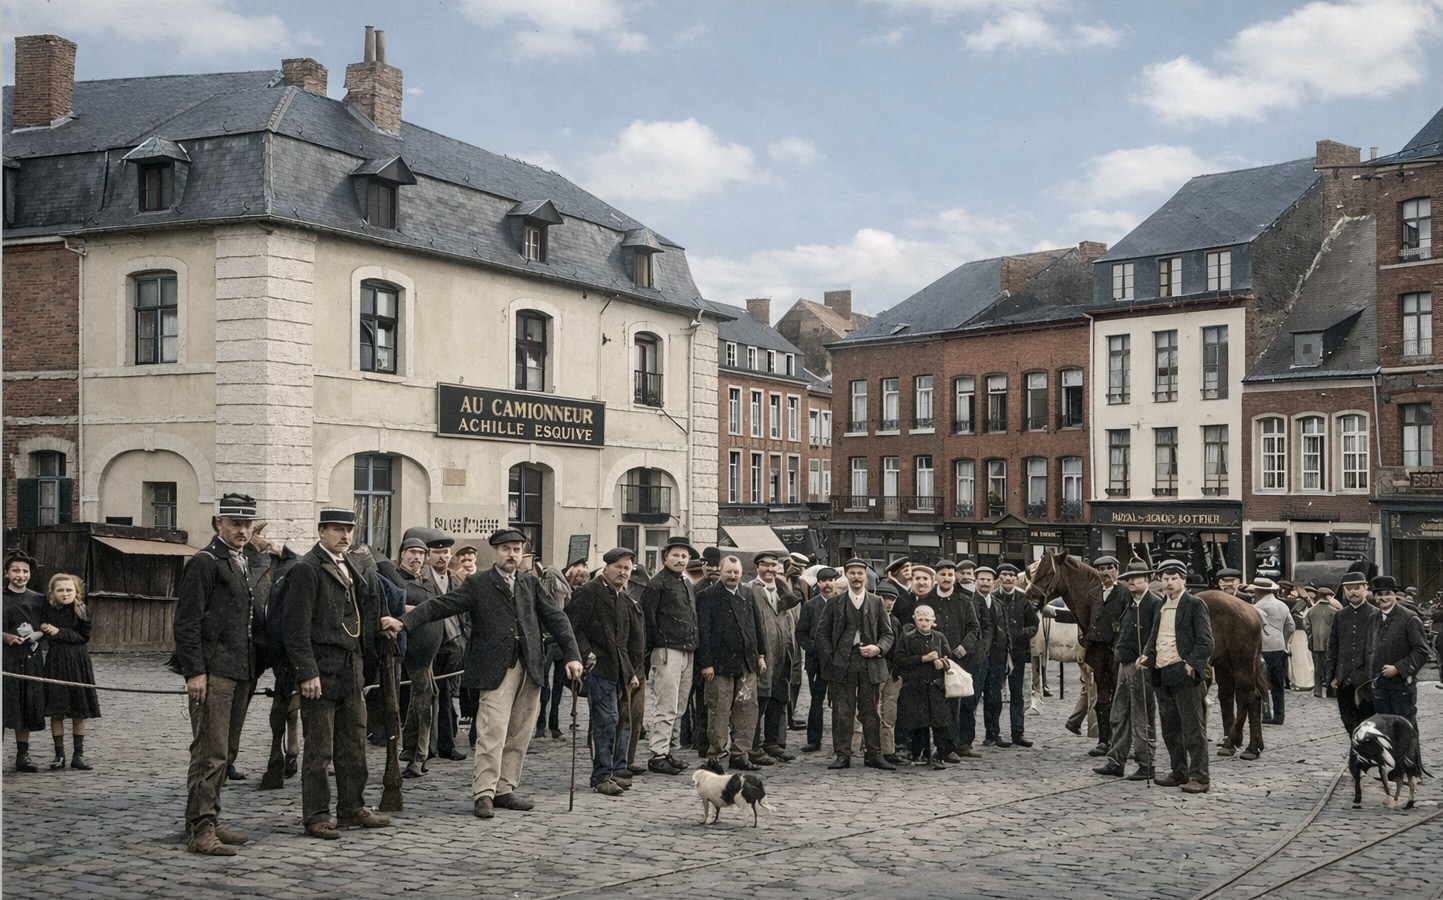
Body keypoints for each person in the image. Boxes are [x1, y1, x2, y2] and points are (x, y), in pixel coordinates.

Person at [382, 528, 583, 820]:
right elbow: (441, 605)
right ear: (495, 552)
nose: (512, 554)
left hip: (530, 667)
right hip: (495, 670)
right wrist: (404, 622)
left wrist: (573, 656)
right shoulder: (478, 583)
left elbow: (557, 618)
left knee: (519, 733)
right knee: (492, 732)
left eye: (517, 549)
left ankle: (505, 789)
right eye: (506, 549)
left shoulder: (530, 583)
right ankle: (484, 793)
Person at [282, 508, 392, 839]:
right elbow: (295, 629)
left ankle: (351, 808)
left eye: (348, 529)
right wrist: (307, 673)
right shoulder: (307, 568)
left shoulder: (354, 566)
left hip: (350, 669)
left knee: (354, 742)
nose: (344, 536)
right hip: (321, 669)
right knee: (319, 749)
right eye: (336, 529)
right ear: (320, 531)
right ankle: (316, 816)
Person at [173, 493, 266, 855]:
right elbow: (186, 623)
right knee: (210, 752)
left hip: (241, 669)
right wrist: (195, 672)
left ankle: (209, 817)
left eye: (247, 524)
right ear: (218, 524)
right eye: (235, 524)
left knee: (226, 750)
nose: (243, 530)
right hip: (214, 672)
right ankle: (200, 830)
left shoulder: (241, 561)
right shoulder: (205, 562)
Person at [567, 548, 645, 796]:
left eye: (627, 568)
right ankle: (601, 776)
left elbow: (626, 639)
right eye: (619, 567)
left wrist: (632, 671)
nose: (623, 572)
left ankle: (613, 771)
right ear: (606, 567)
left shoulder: (623, 598)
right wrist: (585, 653)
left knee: (620, 720)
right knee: (606, 721)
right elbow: (572, 628)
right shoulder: (588, 593)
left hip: (620, 670)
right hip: (597, 668)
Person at [813, 558, 896, 771]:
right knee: (842, 711)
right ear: (846, 576)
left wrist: (878, 648)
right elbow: (821, 634)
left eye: (860, 573)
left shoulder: (876, 602)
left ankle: (873, 754)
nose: (856, 578)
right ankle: (843, 754)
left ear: (866, 577)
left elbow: (888, 634)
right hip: (843, 665)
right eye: (852, 573)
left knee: (870, 711)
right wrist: (831, 657)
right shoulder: (835, 603)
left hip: (870, 665)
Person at [1139, 560, 1213, 794]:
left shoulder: (1194, 604)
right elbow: (1155, 636)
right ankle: (1178, 771)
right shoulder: (1161, 606)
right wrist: (1146, 656)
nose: (1168, 582)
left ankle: (1200, 776)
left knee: (1192, 727)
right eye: (1165, 578)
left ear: (1184, 580)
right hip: (1161, 672)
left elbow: (1206, 640)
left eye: (1173, 578)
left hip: (1183, 672)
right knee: (1170, 727)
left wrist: (1192, 663)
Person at [695, 555, 767, 771]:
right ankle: (715, 755)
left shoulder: (747, 593)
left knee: (747, 710)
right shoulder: (707, 596)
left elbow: (756, 626)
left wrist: (760, 655)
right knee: (719, 710)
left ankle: (740, 753)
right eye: (728, 572)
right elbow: (703, 632)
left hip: (746, 663)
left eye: (736, 572)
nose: (733, 576)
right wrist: (706, 663)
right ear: (721, 572)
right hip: (719, 666)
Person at [1094, 561, 1160, 781]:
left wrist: (1147, 658)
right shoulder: (1130, 603)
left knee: (1142, 716)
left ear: (1147, 580)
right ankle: (1116, 760)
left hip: (1141, 665)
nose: (1132, 582)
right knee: (1119, 713)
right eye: (1129, 579)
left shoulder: (1154, 604)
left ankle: (1146, 763)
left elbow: (1155, 636)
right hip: (1124, 664)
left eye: (1138, 578)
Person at [639, 537, 699, 776]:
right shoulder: (657, 584)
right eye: (676, 555)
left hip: (687, 650)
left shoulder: (685, 582)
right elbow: (647, 619)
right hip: (667, 650)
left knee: (679, 705)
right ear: (665, 557)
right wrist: (656, 646)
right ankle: (658, 754)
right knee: (666, 704)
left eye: (684, 556)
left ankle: (668, 749)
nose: (680, 560)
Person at [40, 573, 100, 771]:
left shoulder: (82, 611)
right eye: (60, 590)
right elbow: (45, 635)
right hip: (56, 662)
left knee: (78, 712)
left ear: (76, 592)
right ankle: (59, 756)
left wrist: (59, 632)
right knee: (57, 712)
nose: (65, 593)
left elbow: (83, 637)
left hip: (77, 663)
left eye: (69, 590)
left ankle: (78, 755)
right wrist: (47, 630)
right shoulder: (48, 611)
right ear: (52, 593)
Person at [746, 550, 801, 765]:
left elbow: (788, 619)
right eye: (765, 565)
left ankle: (772, 742)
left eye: (774, 566)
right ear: (758, 567)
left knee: (778, 698)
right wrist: (757, 653)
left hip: (783, 653)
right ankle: (752, 745)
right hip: (763, 654)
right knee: (759, 699)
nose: (770, 570)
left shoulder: (782, 589)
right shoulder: (751, 590)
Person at [393, 535, 441, 779]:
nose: (417, 558)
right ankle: (417, 756)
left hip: (427, 650)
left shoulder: (426, 581)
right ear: (402, 554)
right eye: (412, 552)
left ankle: (415, 751)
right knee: (422, 700)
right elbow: (390, 605)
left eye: (421, 554)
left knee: (425, 697)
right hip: (408, 649)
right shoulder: (395, 579)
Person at [894, 605, 959, 769]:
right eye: (920, 619)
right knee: (918, 721)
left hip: (936, 686)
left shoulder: (939, 637)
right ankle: (921, 753)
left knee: (939, 721)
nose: (924, 623)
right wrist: (923, 658)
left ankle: (939, 754)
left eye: (927, 620)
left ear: (933, 621)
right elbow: (900, 659)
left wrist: (942, 663)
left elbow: (949, 658)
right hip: (915, 686)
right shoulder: (907, 637)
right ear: (914, 620)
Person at [927, 559, 979, 762]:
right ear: (936, 577)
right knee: (934, 706)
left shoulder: (964, 601)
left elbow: (974, 629)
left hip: (956, 662)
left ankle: (949, 747)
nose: (946, 578)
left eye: (950, 574)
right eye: (942, 574)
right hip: (932, 661)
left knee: (953, 706)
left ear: (954, 577)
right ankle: (931, 747)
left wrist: (964, 647)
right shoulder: (927, 600)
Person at [4, 551, 48, 774]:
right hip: (5, 660)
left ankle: (23, 755)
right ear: (6, 573)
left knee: (25, 704)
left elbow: (47, 626)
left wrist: (39, 634)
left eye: (25, 571)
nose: (20, 575)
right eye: (15, 571)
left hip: (30, 658)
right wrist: (7, 637)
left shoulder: (38, 599)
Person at [1366, 575, 1429, 733]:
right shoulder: (1373, 619)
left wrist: (1398, 668)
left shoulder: (1409, 618)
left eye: (1387, 593)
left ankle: (1409, 759)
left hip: (1401, 687)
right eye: (1379, 594)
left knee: (1405, 730)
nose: (1383, 598)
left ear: (1395, 595)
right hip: (1379, 686)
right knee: (1384, 730)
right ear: (1374, 597)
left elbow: (1422, 651)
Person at [1080, 557, 1128, 757]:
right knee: (1102, 696)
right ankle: (1103, 740)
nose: (1105, 572)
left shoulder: (1124, 593)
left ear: (1117, 570)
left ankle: (1122, 740)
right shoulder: (1093, 594)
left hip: (1116, 650)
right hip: (1098, 652)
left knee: (1120, 695)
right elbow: (1086, 619)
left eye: (1109, 568)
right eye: (1101, 569)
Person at [534, 554, 583, 741]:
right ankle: (546, 725)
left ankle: (546, 725)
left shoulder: (550, 578)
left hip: (553, 642)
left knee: (552, 687)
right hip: (552, 642)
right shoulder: (554, 579)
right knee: (549, 686)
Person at [1325, 571, 1378, 735]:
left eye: (1357, 588)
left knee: (1367, 721)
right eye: (1349, 589)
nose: (1353, 592)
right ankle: (1358, 750)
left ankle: (1366, 755)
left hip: (1367, 679)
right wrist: (1331, 675)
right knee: (1347, 719)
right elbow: (1332, 646)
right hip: (1344, 678)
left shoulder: (1376, 614)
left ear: (1365, 589)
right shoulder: (1340, 616)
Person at [993, 563, 1038, 749]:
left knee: (1017, 694)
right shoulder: (993, 598)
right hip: (996, 652)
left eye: (1012, 575)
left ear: (1016, 578)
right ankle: (993, 733)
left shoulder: (1023, 599)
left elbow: (1034, 625)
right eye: (1005, 574)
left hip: (1018, 652)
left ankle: (1018, 733)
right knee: (994, 693)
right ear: (999, 578)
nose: (1009, 578)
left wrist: (1019, 634)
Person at [796, 567, 840, 753]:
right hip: (816, 661)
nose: (827, 584)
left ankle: (841, 742)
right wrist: (812, 648)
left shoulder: (842, 603)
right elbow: (801, 633)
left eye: (831, 580)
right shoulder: (810, 606)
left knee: (840, 700)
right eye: (823, 581)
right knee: (816, 700)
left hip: (839, 661)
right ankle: (814, 740)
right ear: (818, 583)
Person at [954, 559, 993, 757]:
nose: (966, 575)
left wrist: (983, 648)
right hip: (952, 655)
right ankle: (949, 743)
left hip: (974, 657)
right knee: (951, 702)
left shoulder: (978, 597)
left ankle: (965, 744)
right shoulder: (951, 593)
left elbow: (986, 625)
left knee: (970, 701)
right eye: (962, 572)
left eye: (970, 572)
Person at [1247, 578, 1294, 726]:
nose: (1253, 593)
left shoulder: (1258, 607)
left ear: (1259, 591)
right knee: (1278, 684)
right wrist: (1284, 642)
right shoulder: (1283, 605)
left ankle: (1266, 714)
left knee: (1262, 683)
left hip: (1264, 649)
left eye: (1255, 591)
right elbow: (1291, 627)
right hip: (1280, 647)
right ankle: (1279, 716)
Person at [1303, 587, 1339, 698]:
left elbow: (1306, 626)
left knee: (1317, 668)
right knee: (1331, 667)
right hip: (1330, 644)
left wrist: (1311, 633)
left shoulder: (1311, 611)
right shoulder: (1335, 611)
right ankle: (1330, 691)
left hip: (1315, 643)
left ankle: (1317, 691)